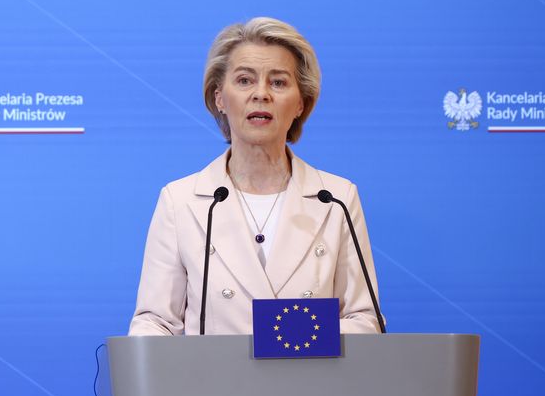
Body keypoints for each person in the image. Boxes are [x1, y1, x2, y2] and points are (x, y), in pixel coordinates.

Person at [129, 17, 381, 336]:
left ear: (301, 103)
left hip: (309, 383)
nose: (261, 94)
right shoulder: (180, 201)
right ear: (220, 98)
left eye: (278, 82)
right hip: (213, 384)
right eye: (245, 80)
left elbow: (363, 319)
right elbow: (155, 322)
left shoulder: (336, 198)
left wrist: (297, 339)